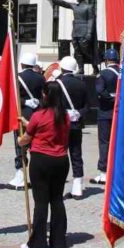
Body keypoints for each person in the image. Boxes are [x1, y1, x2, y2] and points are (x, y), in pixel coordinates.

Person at [19, 81, 71, 248]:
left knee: (41, 202)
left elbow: (26, 138)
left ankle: (38, 242)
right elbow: (49, 128)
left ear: (45, 95)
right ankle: (59, 241)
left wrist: (20, 140)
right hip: (61, 160)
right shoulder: (65, 116)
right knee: (57, 199)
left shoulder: (39, 115)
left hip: (41, 160)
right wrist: (27, 122)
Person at [9, 52, 44, 189]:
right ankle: (37, 176)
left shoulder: (17, 78)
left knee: (20, 146)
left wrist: (25, 102)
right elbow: (45, 97)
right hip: (37, 115)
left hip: (22, 114)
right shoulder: (41, 78)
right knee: (35, 146)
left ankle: (20, 175)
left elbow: (13, 98)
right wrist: (37, 102)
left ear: (22, 64)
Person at [55, 56, 89, 199]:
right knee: (76, 154)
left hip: (60, 125)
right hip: (76, 124)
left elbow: (53, 106)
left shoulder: (57, 84)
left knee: (59, 155)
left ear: (62, 68)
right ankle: (77, 188)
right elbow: (87, 106)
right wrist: (78, 114)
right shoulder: (81, 84)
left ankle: (57, 186)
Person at [47, 0, 98, 72]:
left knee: (87, 51)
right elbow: (64, 3)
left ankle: (95, 67)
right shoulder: (75, 6)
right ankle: (81, 69)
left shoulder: (89, 6)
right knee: (77, 52)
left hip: (84, 33)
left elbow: (91, 20)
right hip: (75, 32)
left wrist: (89, 33)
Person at [91, 48, 120, 184]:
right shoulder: (123, 73)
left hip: (105, 112)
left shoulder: (103, 74)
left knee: (104, 142)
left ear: (107, 60)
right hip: (120, 113)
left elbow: (100, 91)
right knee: (118, 142)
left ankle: (103, 172)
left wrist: (111, 100)